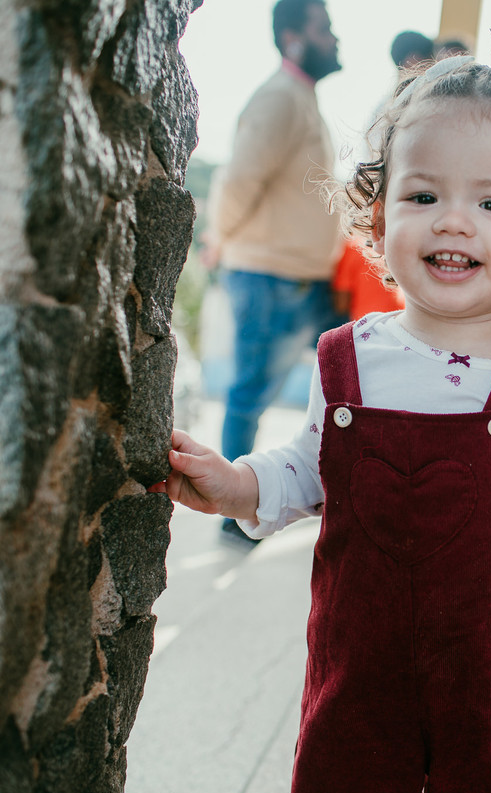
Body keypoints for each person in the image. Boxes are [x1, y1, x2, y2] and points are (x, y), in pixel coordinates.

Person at [156, 46, 491, 793]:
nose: (455, 222)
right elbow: (309, 468)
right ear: (379, 221)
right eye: (423, 197)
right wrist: (237, 484)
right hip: (353, 680)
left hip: (487, 691)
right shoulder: (346, 358)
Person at [203, 0, 344, 538]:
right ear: (293, 38)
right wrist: (219, 239)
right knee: (249, 393)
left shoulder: (300, 99)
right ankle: (233, 519)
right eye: (323, 30)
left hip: (300, 280)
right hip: (267, 276)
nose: (334, 40)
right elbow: (239, 180)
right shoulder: (279, 97)